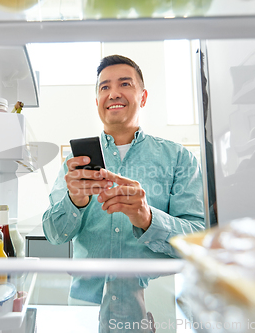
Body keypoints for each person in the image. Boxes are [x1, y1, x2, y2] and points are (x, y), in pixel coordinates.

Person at [42, 54, 205, 330]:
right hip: (85, 310)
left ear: (143, 97)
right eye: (104, 87)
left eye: (124, 84)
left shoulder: (180, 159)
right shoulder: (74, 166)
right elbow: (54, 235)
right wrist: (75, 201)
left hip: (158, 307)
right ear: (97, 102)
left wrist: (148, 219)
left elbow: (198, 240)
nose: (113, 93)